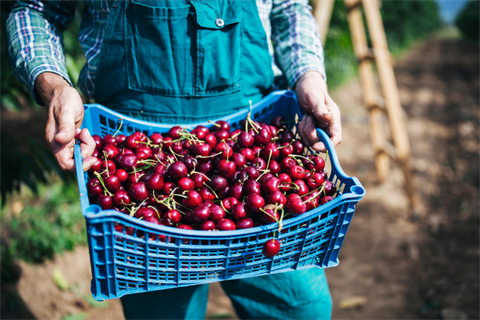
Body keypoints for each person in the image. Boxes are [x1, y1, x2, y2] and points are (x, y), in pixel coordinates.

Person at [7, 0, 342, 319]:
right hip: (133, 148)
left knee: (301, 309)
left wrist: (309, 75)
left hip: (252, 126)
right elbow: (34, 10)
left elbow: (288, 8)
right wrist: (54, 86)